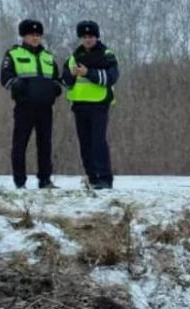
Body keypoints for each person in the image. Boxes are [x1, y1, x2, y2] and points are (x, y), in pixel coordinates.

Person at [0, 19, 62, 190]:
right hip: (24, 106)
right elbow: (5, 78)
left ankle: (45, 180)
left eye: (37, 35)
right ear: (23, 36)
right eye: (31, 35)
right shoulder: (13, 54)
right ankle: (20, 181)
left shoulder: (48, 56)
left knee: (45, 144)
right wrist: (17, 85)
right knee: (20, 144)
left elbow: (57, 79)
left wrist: (55, 88)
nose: (35, 38)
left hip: (45, 107)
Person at [63, 20, 119, 190]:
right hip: (79, 105)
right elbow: (65, 81)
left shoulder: (106, 54)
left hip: (99, 103)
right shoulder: (74, 57)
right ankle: (92, 177)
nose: (88, 40)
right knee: (85, 143)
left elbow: (112, 77)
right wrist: (71, 75)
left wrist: (89, 73)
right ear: (80, 38)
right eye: (84, 37)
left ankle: (105, 178)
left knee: (98, 141)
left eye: (91, 36)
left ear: (96, 37)